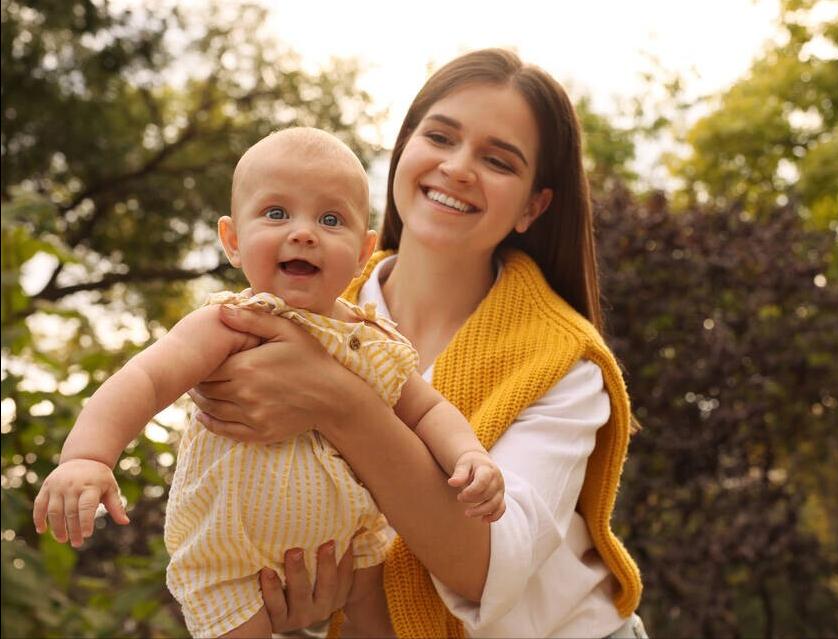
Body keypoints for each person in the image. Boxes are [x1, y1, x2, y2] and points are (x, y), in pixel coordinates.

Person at [189, 49, 648, 638]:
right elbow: (246, 486)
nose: (458, 168)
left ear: (534, 206)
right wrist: (293, 610)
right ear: (403, 149)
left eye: (498, 161)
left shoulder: (564, 361)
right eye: (440, 137)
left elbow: (485, 566)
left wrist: (340, 402)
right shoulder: (297, 304)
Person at [31, 127, 506, 638]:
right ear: (232, 241)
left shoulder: (373, 341)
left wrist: (469, 456)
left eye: (330, 219)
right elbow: (144, 380)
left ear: (363, 250)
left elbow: (428, 410)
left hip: (348, 545)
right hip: (233, 560)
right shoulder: (231, 324)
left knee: (381, 615)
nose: (304, 233)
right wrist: (87, 457)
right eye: (277, 214)